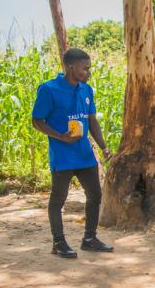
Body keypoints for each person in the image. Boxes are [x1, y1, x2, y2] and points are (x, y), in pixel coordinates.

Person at [31, 48, 113, 258]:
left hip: (84, 155)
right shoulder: (49, 89)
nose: (88, 72)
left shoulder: (86, 90)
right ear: (70, 67)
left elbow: (92, 120)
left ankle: (89, 239)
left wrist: (103, 147)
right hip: (62, 156)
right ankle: (58, 242)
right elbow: (36, 121)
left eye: (89, 68)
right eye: (85, 68)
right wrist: (61, 137)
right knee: (58, 200)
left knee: (95, 195)